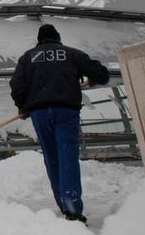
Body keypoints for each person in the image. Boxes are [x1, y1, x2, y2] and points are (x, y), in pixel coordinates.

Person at [9, 24, 109, 224]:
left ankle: (63, 206)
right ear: (58, 38)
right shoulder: (71, 54)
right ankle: (73, 209)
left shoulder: (28, 57)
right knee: (67, 158)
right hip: (66, 111)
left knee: (52, 158)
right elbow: (102, 74)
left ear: (39, 40)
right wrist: (92, 78)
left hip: (39, 113)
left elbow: (16, 85)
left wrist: (22, 106)